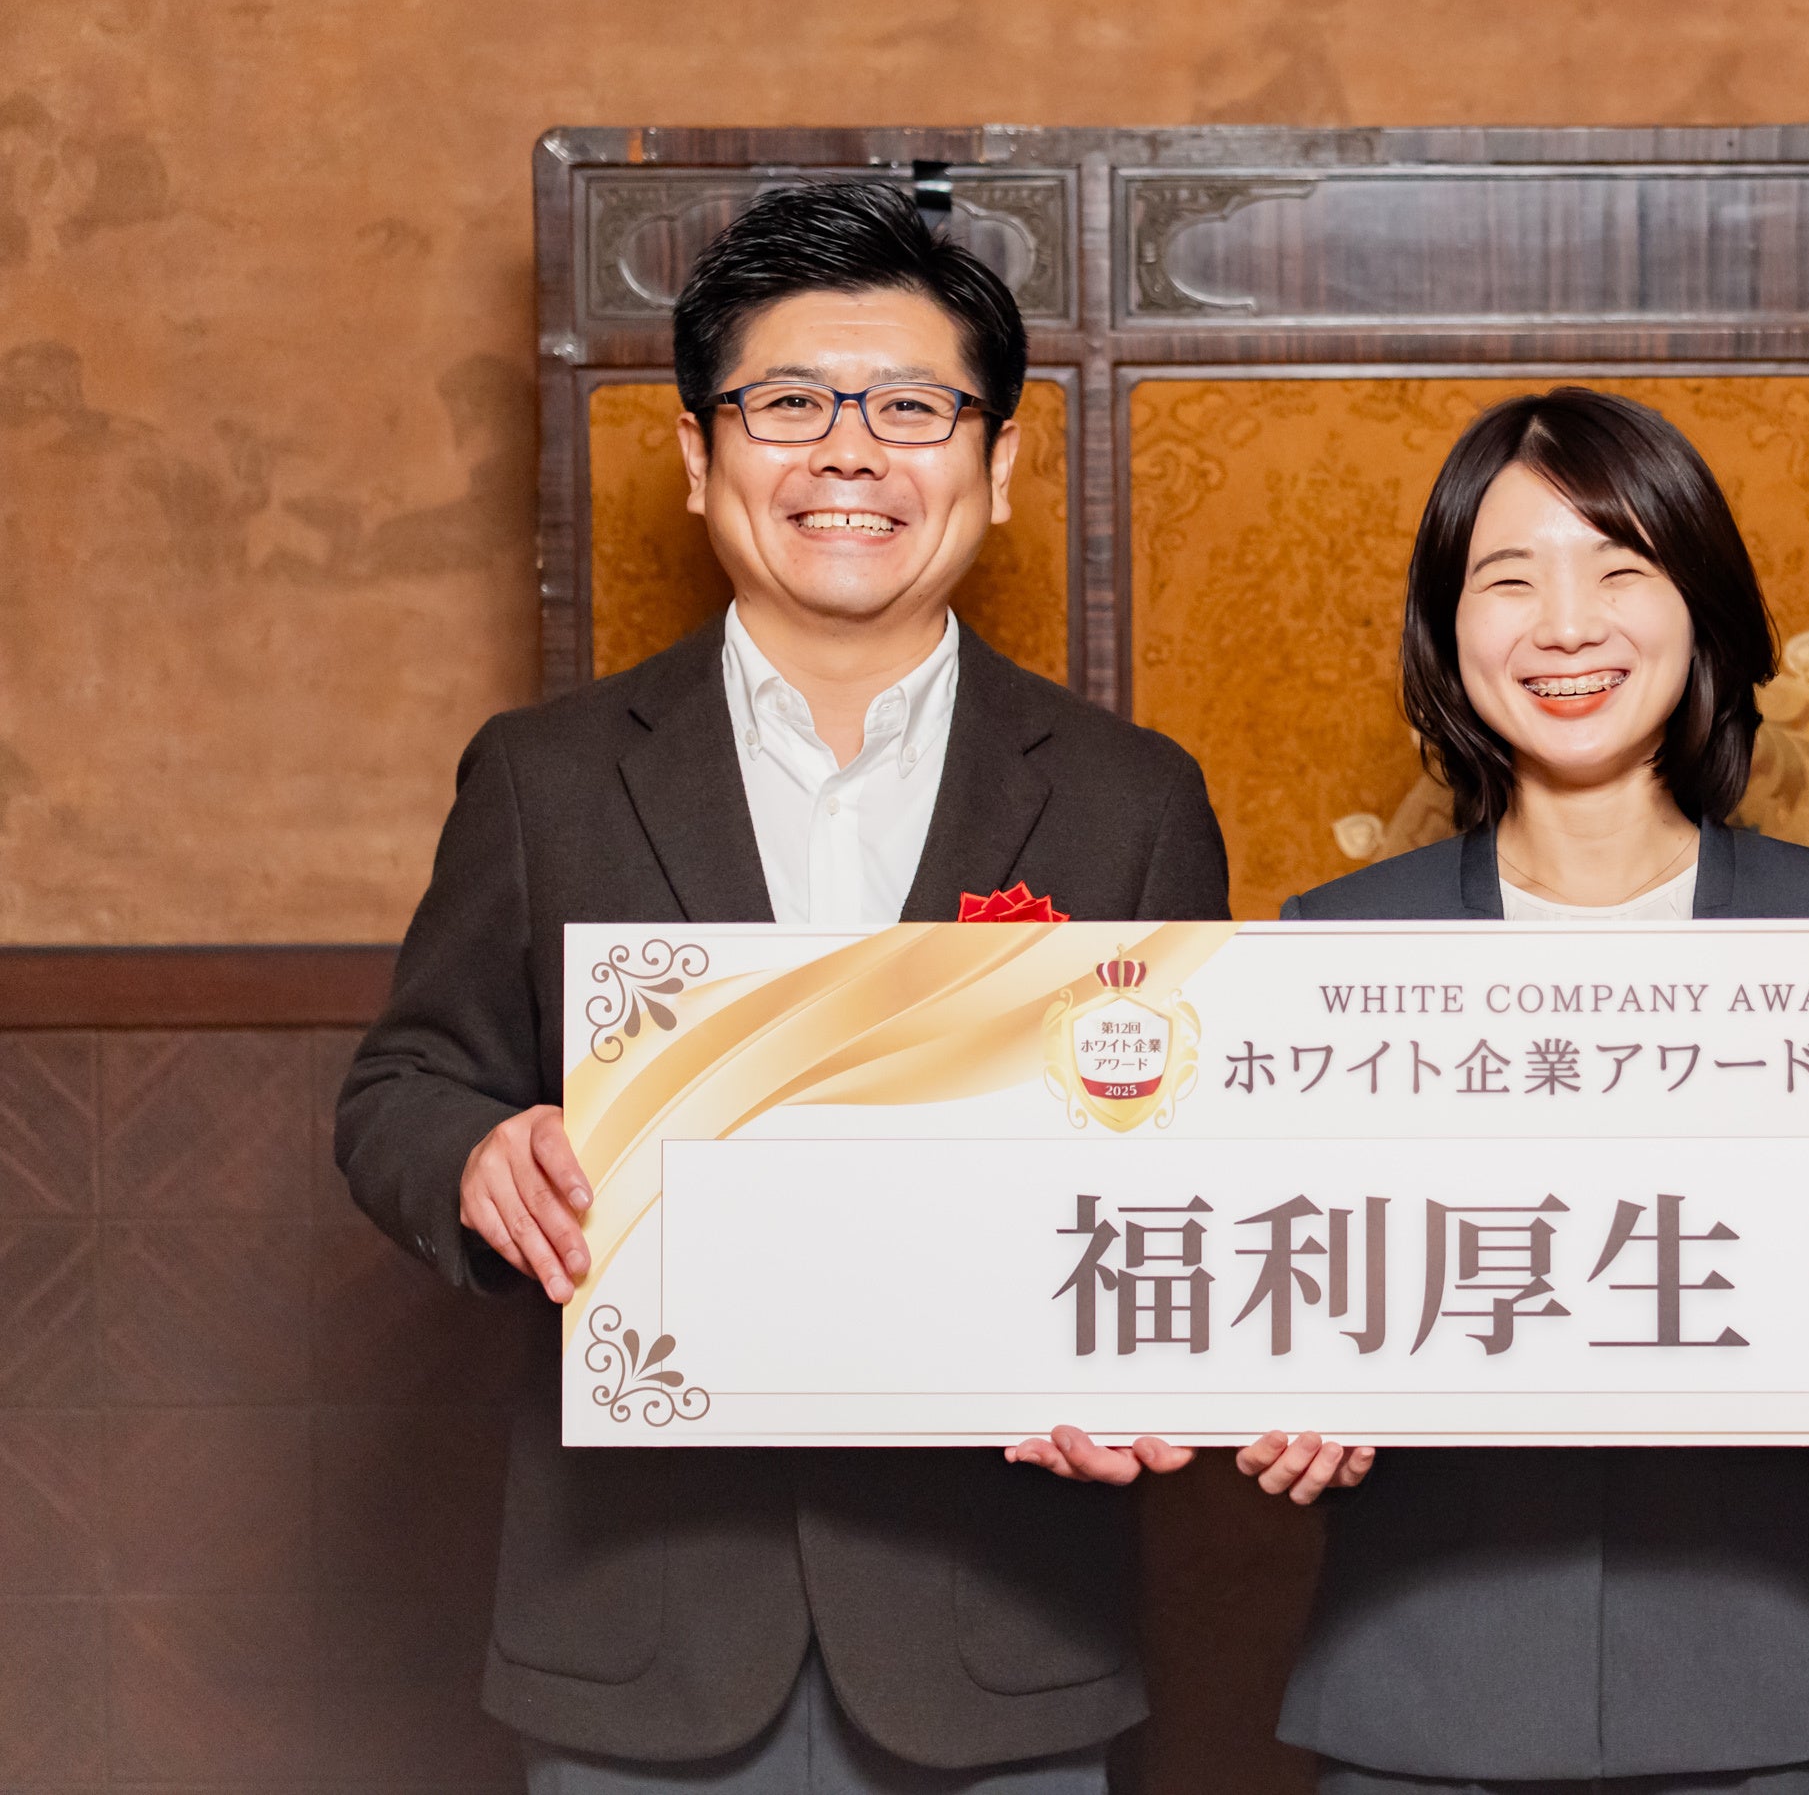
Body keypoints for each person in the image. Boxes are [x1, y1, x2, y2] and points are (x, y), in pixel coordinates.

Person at [333, 181, 1230, 1793]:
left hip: (999, 1634)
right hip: (642, 1624)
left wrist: (1154, 1366)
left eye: (912, 407)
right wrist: (474, 1156)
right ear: (699, 454)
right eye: (791, 403)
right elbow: (404, 1086)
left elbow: (1198, 1173)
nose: (850, 453)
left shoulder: (1129, 800)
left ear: (999, 463)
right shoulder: (546, 779)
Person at [1233, 387, 1809, 1793]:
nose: (1566, 626)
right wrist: (1270, 1385)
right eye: (1510, 579)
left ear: (1701, 607)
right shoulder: (1336, 944)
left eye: (1620, 570)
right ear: (1447, 630)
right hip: (1423, 1688)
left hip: (1772, 1687)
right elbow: (1273, 1275)